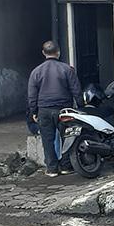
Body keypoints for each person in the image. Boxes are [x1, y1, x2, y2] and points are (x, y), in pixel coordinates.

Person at [28, 40, 82, 177]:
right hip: (64, 110)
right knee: (67, 138)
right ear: (58, 52)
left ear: (43, 53)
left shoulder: (36, 72)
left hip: (44, 110)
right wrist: (81, 107)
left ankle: (52, 169)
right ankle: (66, 167)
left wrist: (34, 111)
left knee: (47, 140)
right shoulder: (67, 69)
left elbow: (32, 95)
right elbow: (76, 90)